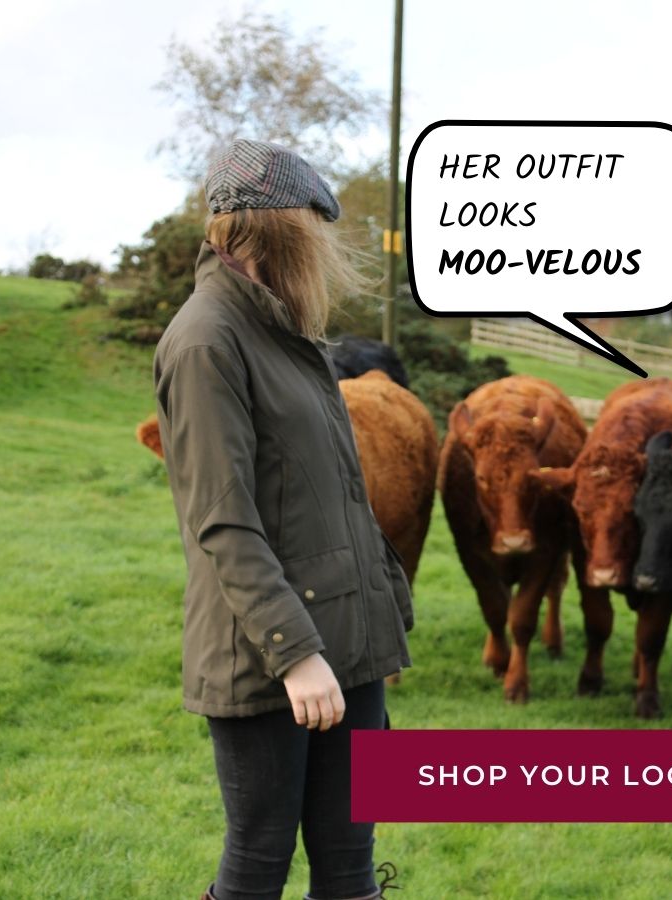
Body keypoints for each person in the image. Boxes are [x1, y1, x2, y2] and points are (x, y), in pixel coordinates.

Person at [152, 139, 412, 900]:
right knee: (259, 863)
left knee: (350, 863)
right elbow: (223, 521)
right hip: (265, 656)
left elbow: (336, 496)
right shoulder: (206, 341)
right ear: (278, 229)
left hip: (348, 648)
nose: (327, 246)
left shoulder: (289, 336)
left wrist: (377, 619)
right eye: (316, 225)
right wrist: (295, 653)